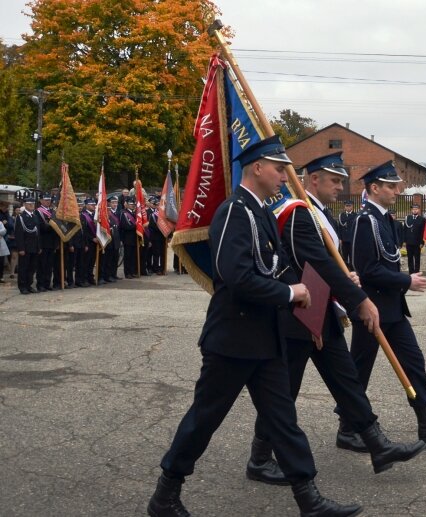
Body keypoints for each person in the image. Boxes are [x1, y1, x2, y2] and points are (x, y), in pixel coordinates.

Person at [148, 136, 362, 517]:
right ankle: (165, 494)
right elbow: (236, 276)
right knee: (204, 419)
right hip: (233, 339)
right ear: (257, 167)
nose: (285, 176)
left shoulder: (261, 211)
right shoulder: (235, 212)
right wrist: (288, 292)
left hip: (265, 339)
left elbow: (274, 267)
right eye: (280, 169)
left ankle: (308, 498)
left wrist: (309, 290)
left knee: (284, 421)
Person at [251, 152, 425, 484]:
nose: (340, 186)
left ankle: (377, 444)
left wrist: (348, 281)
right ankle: (259, 458)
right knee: (285, 389)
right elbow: (316, 262)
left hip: (321, 311)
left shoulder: (317, 213)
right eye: (334, 180)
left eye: (342, 180)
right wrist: (358, 298)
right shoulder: (299, 213)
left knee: (346, 380)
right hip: (300, 315)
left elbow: (329, 264)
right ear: (313, 179)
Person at [348, 161, 426, 445]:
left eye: (396, 185)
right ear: (374, 188)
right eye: (390, 186)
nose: (396, 191)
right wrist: (406, 282)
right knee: (359, 369)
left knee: (413, 360)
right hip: (371, 308)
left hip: (392, 309)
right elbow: (367, 270)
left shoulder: (387, 220)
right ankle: (347, 428)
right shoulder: (365, 222)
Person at [15, 198, 41, 294]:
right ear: (25, 205)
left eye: (33, 204)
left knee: (32, 267)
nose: (32, 206)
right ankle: (22, 286)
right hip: (25, 247)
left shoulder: (34, 216)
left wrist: (39, 247)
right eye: (30, 204)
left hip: (34, 247)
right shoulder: (21, 217)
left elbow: (37, 234)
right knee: (23, 268)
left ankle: (29, 285)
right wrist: (21, 248)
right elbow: (19, 234)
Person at [35, 194, 58, 291]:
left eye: (49, 200)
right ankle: (40, 284)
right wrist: (51, 225)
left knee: (49, 265)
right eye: (46, 200)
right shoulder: (38, 212)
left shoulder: (53, 211)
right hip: (43, 242)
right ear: (41, 200)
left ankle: (47, 283)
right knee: (42, 265)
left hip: (52, 242)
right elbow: (40, 227)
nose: (48, 201)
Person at [100, 196, 121, 283]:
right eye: (107, 210)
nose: (109, 212)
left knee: (114, 259)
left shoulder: (115, 215)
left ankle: (113, 274)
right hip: (108, 242)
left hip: (115, 241)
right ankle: (105, 276)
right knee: (106, 261)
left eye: (109, 210)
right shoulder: (104, 218)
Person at [402, 203, 426, 274]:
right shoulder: (407, 218)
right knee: (410, 258)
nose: (414, 210)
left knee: (417, 258)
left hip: (417, 242)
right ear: (411, 210)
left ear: (418, 210)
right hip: (409, 242)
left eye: (416, 209)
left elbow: (423, 232)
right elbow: (405, 230)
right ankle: (411, 273)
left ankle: (416, 272)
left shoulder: (422, 219)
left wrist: (422, 242)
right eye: (413, 209)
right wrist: (404, 241)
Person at [80, 199, 99, 286]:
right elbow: (84, 231)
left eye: (94, 204)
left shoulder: (96, 215)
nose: (93, 206)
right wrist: (92, 238)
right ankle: (84, 279)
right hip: (88, 242)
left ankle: (90, 277)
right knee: (86, 262)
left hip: (96, 242)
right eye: (91, 205)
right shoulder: (83, 215)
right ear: (86, 205)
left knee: (92, 261)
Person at [120, 198, 139, 279]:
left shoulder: (135, 213)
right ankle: (127, 273)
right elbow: (126, 226)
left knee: (133, 256)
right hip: (127, 238)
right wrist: (137, 226)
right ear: (126, 204)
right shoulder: (124, 213)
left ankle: (132, 271)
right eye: (131, 204)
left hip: (135, 238)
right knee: (128, 256)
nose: (132, 205)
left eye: (133, 204)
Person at [337, 199, 358, 270]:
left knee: (352, 256)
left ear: (352, 206)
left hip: (352, 239)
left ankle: (353, 269)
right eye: (346, 206)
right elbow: (339, 228)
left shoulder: (356, 215)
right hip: (344, 239)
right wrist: (340, 238)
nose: (348, 207)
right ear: (344, 207)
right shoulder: (341, 215)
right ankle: (345, 270)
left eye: (349, 206)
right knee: (344, 256)